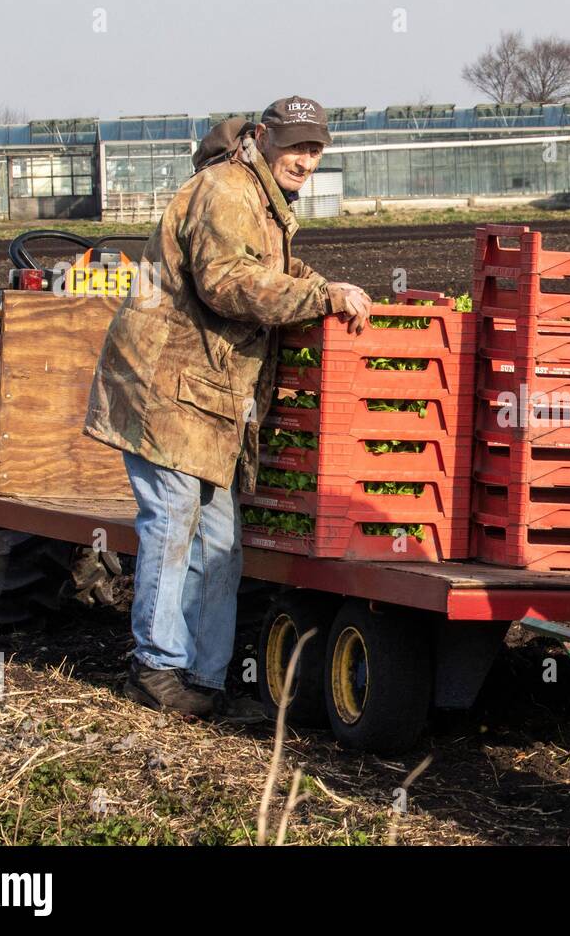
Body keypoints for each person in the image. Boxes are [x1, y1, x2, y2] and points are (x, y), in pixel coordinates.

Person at [84, 96, 372, 722]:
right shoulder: (227, 190)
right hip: (167, 386)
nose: (305, 158)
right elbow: (227, 281)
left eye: (315, 148)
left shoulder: (264, 201)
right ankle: (155, 668)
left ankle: (204, 680)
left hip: (211, 396)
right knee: (173, 521)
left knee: (219, 539)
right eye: (295, 145)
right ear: (263, 137)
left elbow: (275, 269)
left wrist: (325, 287)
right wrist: (321, 297)